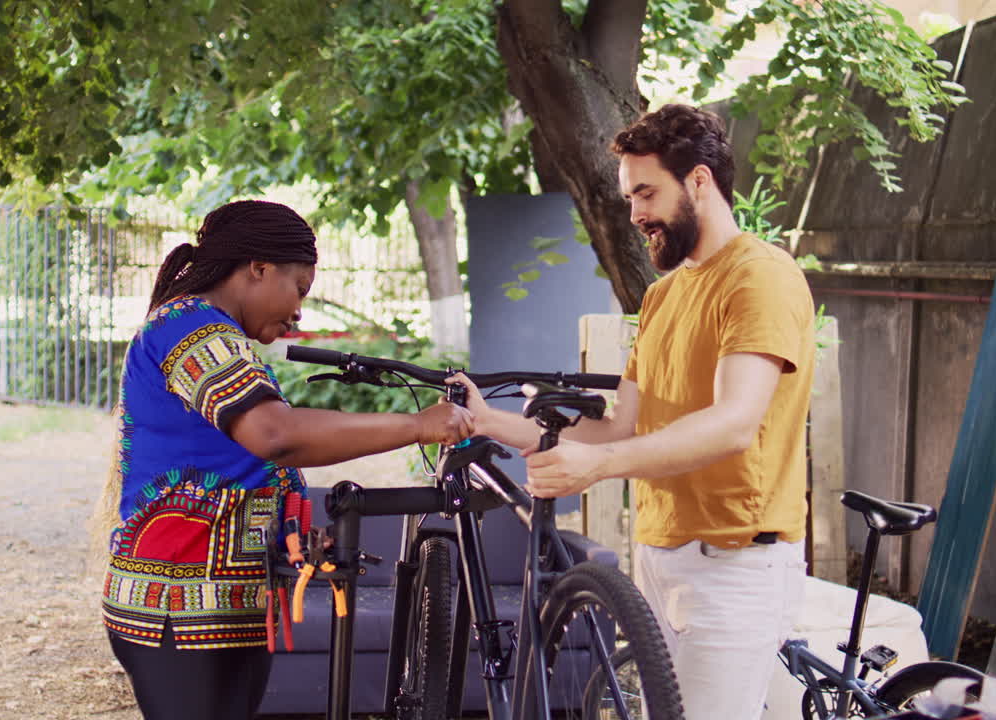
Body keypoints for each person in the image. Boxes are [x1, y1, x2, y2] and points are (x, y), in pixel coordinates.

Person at [451, 104, 816, 719]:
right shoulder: (663, 296)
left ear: (699, 181)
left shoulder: (759, 278)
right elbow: (621, 426)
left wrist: (598, 467)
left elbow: (734, 422)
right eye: (628, 198)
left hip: (735, 562)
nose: (636, 214)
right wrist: (491, 422)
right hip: (660, 555)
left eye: (646, 192)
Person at [95, 199, 474, 720]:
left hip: (220, 607)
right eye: (298, 289)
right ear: (258, 268)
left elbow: (255, 452)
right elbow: (275, 435)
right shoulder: (190, 331)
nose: (298, 312)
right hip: (177, 609)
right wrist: (416, 426)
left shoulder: (215, 335)